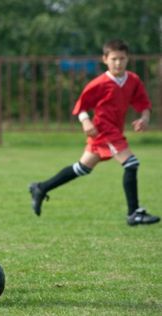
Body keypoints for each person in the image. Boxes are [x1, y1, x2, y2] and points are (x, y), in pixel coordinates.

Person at [29, 39, 159, 226]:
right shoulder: (99, 83)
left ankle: (41, 188)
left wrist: (144, 118)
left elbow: (144, 103)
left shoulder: (133, 80)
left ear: (127, 59)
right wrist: (85, 121)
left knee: (83, 168)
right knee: (131, 163)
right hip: (103, 130)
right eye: (114, 59)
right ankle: (134, 213)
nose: (118, 63)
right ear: (105, 59)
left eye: (122, 58)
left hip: (113, 131)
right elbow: (81, 106)